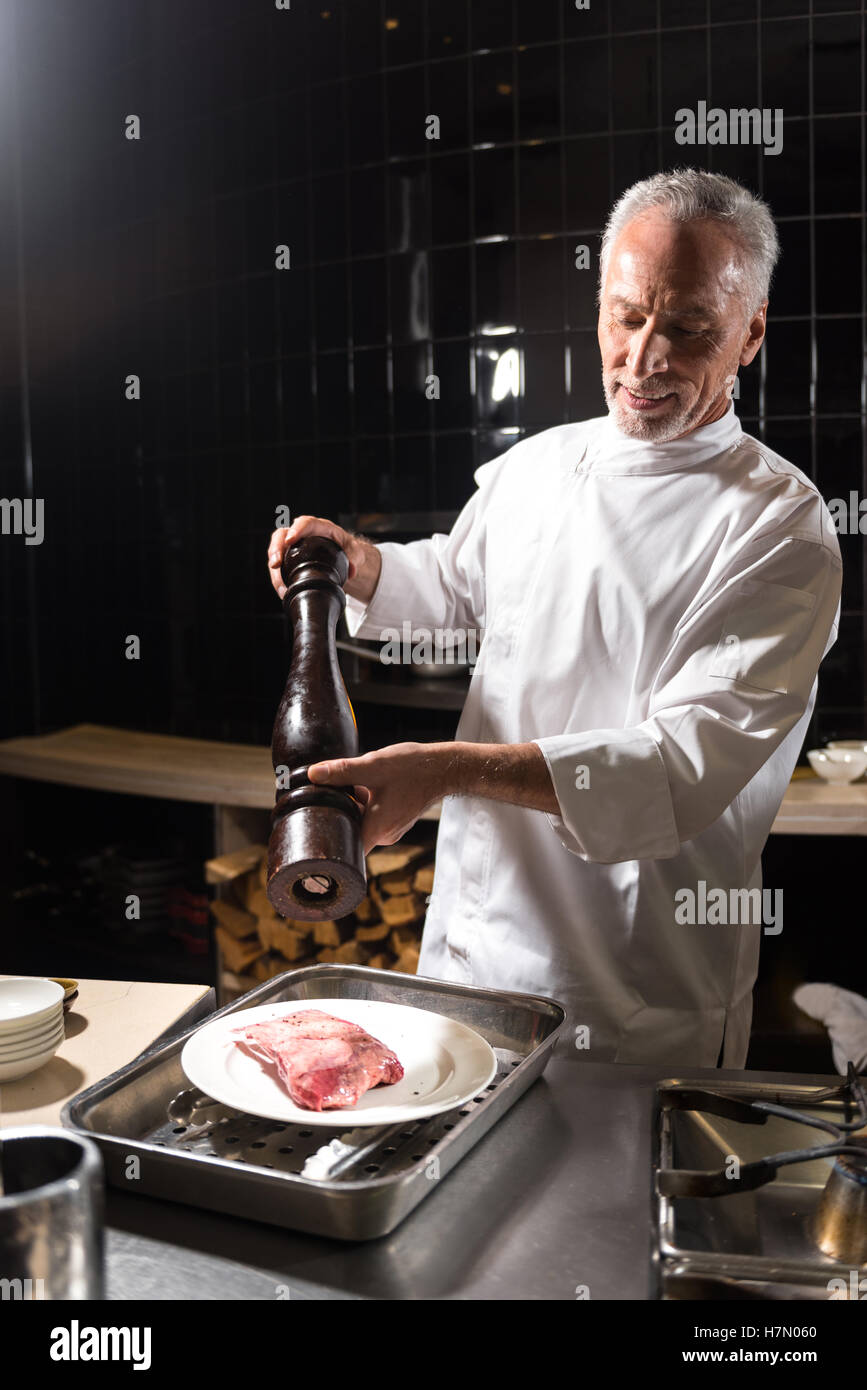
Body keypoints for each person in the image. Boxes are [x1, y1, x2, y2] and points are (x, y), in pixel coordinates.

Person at [267, 169, 841, 1068]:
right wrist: (361, 564)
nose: (644, 357)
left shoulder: (777, 526)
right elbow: (454, 592)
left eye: (687, 328)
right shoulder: (541, 466)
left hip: (628, 996)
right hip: (469, 958)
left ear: (751, 331)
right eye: (625, 315)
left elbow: (679, 767)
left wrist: (446, 769)